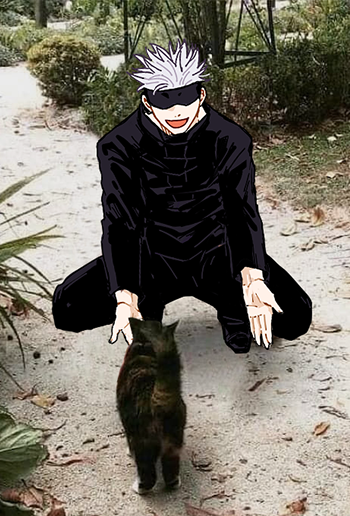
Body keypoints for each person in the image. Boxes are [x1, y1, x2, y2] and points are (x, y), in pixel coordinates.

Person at [52, 41, 312, 354]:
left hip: (218, 256)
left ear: (200, 95)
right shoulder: (117, 144)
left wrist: (253, 279)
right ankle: (146, 311)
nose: (176, 110)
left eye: (185, 97)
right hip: (154, 259)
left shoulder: (230, 138)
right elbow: (120, 221)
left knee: (296, 316)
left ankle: (233, 309)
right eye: (164, 100)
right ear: (147, 101)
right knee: (67, 307)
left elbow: (242, 210)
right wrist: (125, 295)